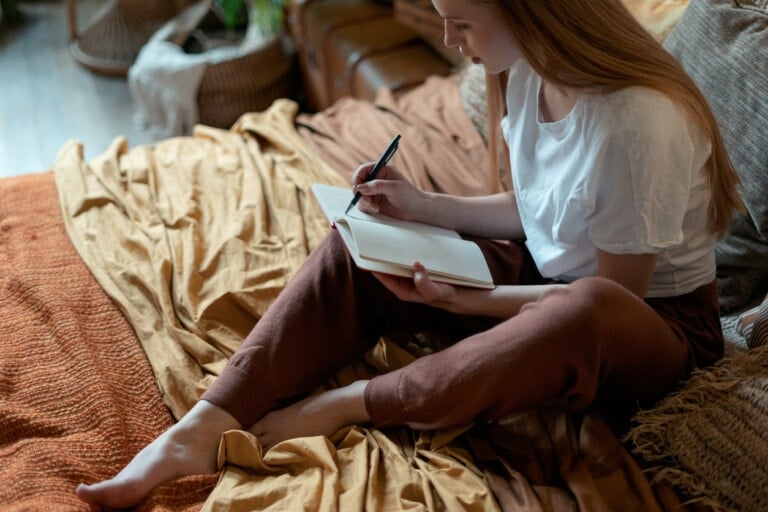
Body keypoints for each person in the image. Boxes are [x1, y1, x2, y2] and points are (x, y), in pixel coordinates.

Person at [76, 0, 743, 509]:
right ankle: (205, 421)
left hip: (647, 328)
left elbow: (611, 300)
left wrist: (475, 301)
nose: (451, 42)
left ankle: (354, 403)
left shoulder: (635, 122)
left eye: (461, 24)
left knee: (584, 309)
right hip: (550, 279)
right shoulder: (534, 71)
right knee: (360, 244)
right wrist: (421, 208)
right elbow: (542, 211)